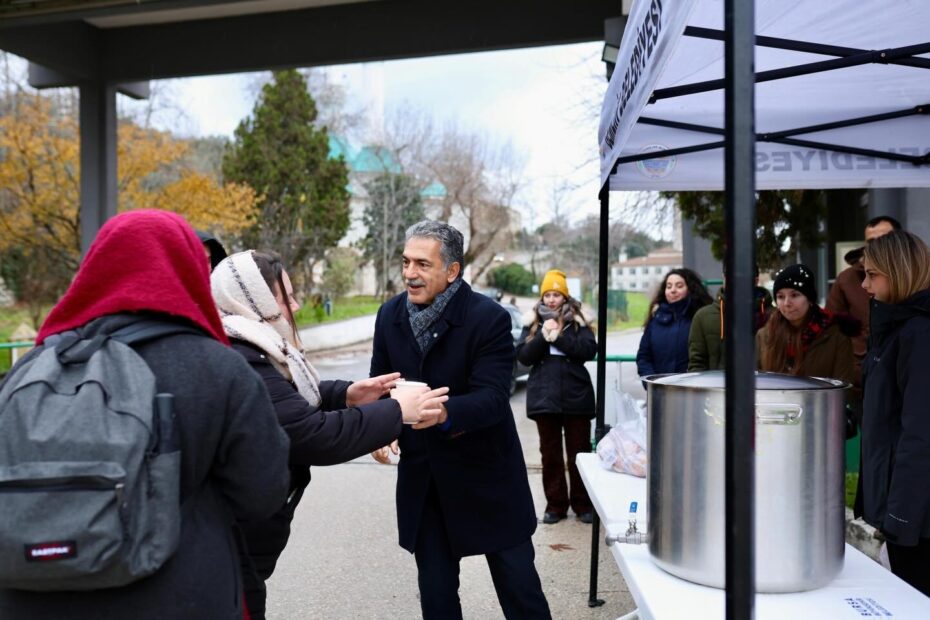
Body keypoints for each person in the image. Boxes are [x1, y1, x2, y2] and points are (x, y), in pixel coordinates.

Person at [0, 210, 290, 619]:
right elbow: (264, 493)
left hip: (30, 598)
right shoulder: (219, 369)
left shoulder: (35, 366)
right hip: (179, 597)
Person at [210, 250, 428, 620]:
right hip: (233, 540)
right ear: (253, 299)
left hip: (240, 536)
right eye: (284, 296)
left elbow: (289, 398)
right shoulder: (242, 355)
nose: (294, 304)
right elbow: (310, 434)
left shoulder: (250, 345)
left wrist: (345, 394)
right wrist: (396, 411)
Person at [370, 220, 551, 619]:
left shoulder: (488, 318)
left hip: (488, 476)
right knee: (436, 598)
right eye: (405, 263)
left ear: (452, 271)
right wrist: (381, 430)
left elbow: (492, 399)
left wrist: (445, 413)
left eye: (422, 264)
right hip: (426, 483)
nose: (409, 274)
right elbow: (380, 386)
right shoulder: (389, 317)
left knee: (520, 592)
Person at [858, 230, 930, 596]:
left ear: (899, 271)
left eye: (872, 275)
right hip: (899, 504)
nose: (865, 284)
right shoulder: (892, 327)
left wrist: (901, 516)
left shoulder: (917, 333)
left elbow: (920, 432)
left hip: (918, 516)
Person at [516, 269, 597, 525]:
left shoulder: (578, 320)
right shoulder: (532, 322)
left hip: (576, 395)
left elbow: (587, 350)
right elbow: (524, 356)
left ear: (565, 296)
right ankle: (555, 505)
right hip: (544, 397)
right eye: (547, 294)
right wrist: (543, 336)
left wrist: (558, 338)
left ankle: (583, 504)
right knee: (549, 454)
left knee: (579, 453)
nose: (551, 299)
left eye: (556, 294)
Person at [826, 215, 900, 413]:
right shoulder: (848, 280)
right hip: (864, 381)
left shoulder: (917, 276)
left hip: (908, 376)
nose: (877, 245)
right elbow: (832, 330)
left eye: (884, 238)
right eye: (871, 241)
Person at [755, 264, 858, 386]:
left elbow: (843, 387)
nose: (787, 303)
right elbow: (757, 383)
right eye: (781, 297)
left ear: (809, 299)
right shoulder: (765, 335)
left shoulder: (836, 336)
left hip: (820, 404)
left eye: (794, 295)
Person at [688, 263, 774, 371]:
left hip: (763, 385)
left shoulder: (774, 316)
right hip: (716, 386)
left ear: (755, 281)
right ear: (724, 279)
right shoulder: (703, 316)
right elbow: (697, 364)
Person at [636, 267, 712, 377]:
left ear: (690, 289)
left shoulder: (701, 318)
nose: (673, 290)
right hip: (660, 390)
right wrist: (652, 382)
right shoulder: (655, 320)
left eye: (679, 286)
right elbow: (643, 357)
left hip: (693, 389)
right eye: (669, 286)